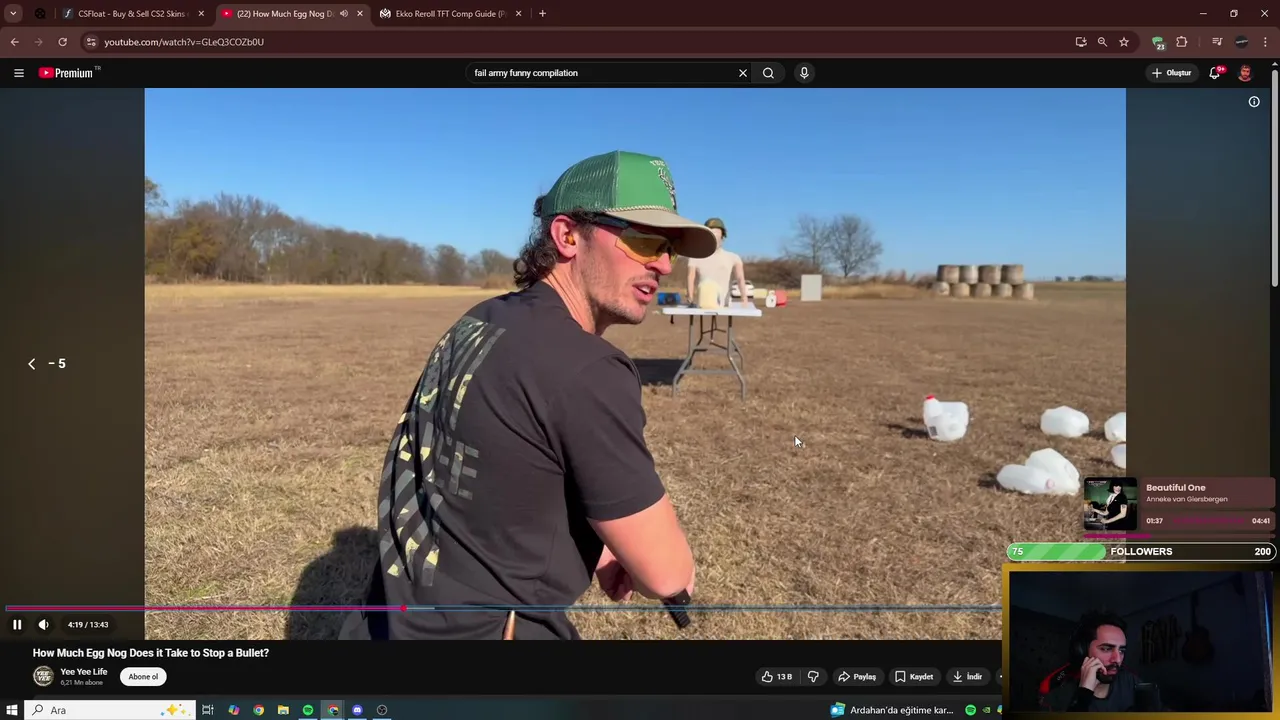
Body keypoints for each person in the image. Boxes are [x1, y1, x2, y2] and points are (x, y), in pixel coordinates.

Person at [339, 150, 717, 641]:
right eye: (644, 240)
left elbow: (491, 468)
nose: (663, 264)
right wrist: (666, 565)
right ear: (567, 235)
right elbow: (666, 574)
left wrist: (600, 540)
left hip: (386, 623)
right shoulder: (589, 368)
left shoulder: (481, 320)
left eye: (669, 248)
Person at [1039, 611, 1142, 711]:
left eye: (1121, 650)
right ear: (1082, 651)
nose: (1118, 659)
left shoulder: (1131, 681)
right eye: (1106, 649)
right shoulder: (1057, 693)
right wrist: (1084, 694)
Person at [686, 217, 750, 307]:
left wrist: (744, 298)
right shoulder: (695, 257)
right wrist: (690, 297)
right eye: (711, 234)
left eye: (717, 234)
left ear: (722, 237)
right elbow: (690, 277)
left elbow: (740, 278)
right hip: (703, 305)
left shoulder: (733, 258)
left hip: (724, 305)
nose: (715, 238)